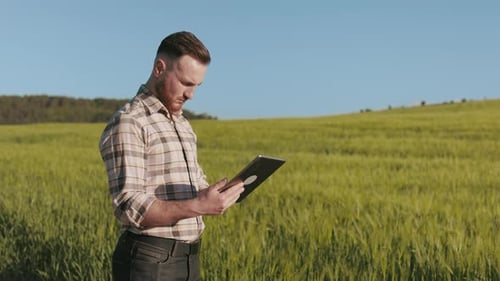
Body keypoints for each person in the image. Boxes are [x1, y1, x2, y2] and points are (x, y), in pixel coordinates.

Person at [99, 31, 245, 281]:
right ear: (159, 68)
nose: (191, 95)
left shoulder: (182, 124)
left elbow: (194, 184)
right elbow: (128, 206)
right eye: (186, 83)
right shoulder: (130, 122)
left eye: (197, 86)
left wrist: (215, 193)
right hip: (149, 261)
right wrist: (198, 206)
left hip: (189, 259)